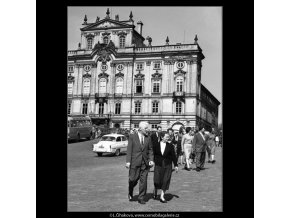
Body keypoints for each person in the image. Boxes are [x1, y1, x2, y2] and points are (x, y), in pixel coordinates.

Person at [125, 121, 154, 204]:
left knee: (143, 181)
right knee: (132, 179)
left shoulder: (148, 137)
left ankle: (141, 197)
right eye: (146, 128)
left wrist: (151, 160)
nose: (147, 130)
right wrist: (128, 161)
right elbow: (129, 149)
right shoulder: (132, 137)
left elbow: (150, 149)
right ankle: (130, 190)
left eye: (147, 128)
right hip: (134, 162)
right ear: (140, 128)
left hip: (145, 163)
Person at [153, 132, 178, 203]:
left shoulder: (170, 146)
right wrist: (152, 161)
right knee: (157, 180)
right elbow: (153, 154)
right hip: (158, 164)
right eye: (167, 137)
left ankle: (162, 196)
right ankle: (155, 189)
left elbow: (174, 156)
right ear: (162, 137)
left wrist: (176, 165)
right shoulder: (156, 145)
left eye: (168, 137)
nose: (168, 138)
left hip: (167, 165)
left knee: (165, 180)